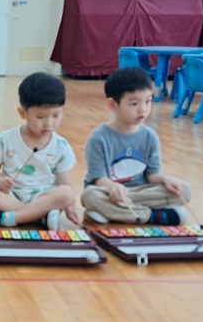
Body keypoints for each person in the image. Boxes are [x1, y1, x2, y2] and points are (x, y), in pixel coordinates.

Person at [0, 72, 81, 230]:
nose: (49, 123)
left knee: (67, 193)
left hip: (44, 198)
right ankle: (38, 217)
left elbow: (65, 182)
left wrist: (70, 208)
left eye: (56, 115)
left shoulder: (61, 146)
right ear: (22, 113)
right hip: (11, 196)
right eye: (40, 117)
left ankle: (9, 218)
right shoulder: (6, 139)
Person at [81, 67, 191, 224]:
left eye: (148, 101)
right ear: (112, 105)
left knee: (184, 189)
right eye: (134, 104)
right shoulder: (99, 138)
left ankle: (115, 212)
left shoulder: (150, 136)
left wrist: (165, 179)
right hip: (108, 191)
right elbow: (98, 178)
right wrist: (112, 187)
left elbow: (152, 175)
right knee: (90, 196)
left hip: (140, 191)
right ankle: (152, 215)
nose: (143, 109)